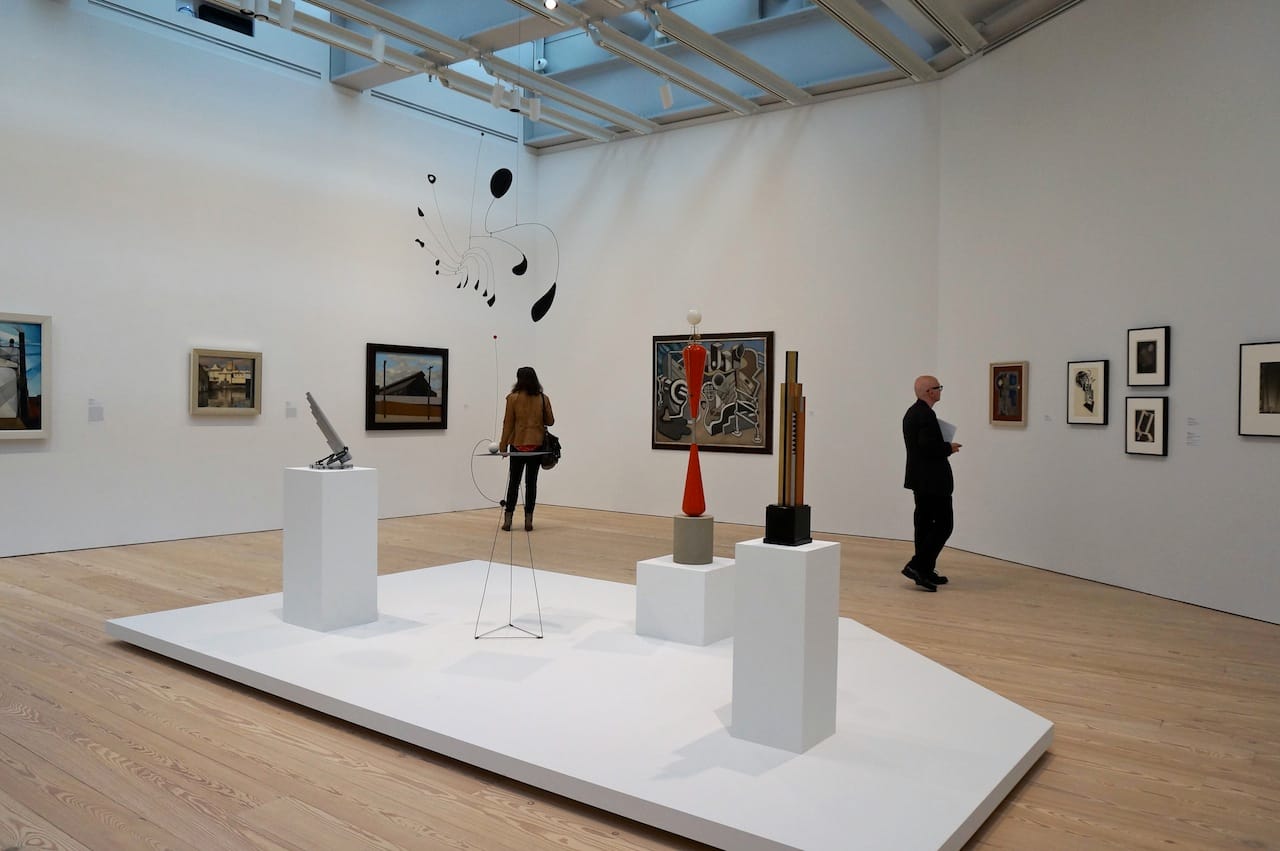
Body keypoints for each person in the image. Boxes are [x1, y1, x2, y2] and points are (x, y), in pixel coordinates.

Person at [902, 375, 961, 592]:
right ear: (930, 392)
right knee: (945, 524)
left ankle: (925, 570)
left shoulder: (912, 412)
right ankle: (917, 566)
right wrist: (949, 448)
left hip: (920, 479)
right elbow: (928, 448)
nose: (940, 391)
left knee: (925, 525)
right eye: (939, 388)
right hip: (933, 480)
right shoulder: (925, 415)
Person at [499, 366, 554, 532]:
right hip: (536, 446)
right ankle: (528, 520)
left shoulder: (512, 398)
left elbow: (507, 424)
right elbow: (550, 421)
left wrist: (503, 447)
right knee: (531, 483)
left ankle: (508, 520)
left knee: (513, 483)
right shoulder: (543, 399)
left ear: (518, 379)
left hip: (517, 445)